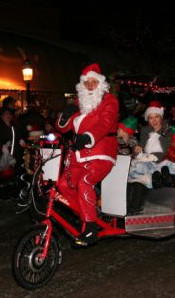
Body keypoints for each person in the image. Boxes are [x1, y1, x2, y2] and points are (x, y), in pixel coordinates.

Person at [55, 63, 118, 246]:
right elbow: (64, 128)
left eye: (94, 82)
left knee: (85, 182)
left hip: (101, 153)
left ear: (101, 84)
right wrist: (64, 116)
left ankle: (90, 227)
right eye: (87, 83)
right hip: (78, 155)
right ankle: (86, 215)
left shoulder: (109, 101)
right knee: (63, 184)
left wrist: (87, 137)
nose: (90, 86)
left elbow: (104, 124)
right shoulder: (79, 103)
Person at [128, 100, 171, 188]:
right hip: (145, 160)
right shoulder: (145, 130)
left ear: (161, 117)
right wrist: (137, 149)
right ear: (148, 120)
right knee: (135, 168)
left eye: (156, 117)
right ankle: (145, 179)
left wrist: (150, 157)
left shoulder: (167, 131)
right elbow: (141, 145)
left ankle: (150, 180)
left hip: (160, 161)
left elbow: (167, 150)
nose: (154, 121)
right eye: (151, 118)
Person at [0, 108, 23, 201]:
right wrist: (1, 146)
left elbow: (18, 135)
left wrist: (20, 140)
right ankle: (3, 195)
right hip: (3, 155)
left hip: (14, 154)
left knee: (12, 175)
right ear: (1, 116)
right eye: (6, 114)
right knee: (4, 175)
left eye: (9, 114)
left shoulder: (13, 126)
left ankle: (12, 193)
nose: (8, 116)